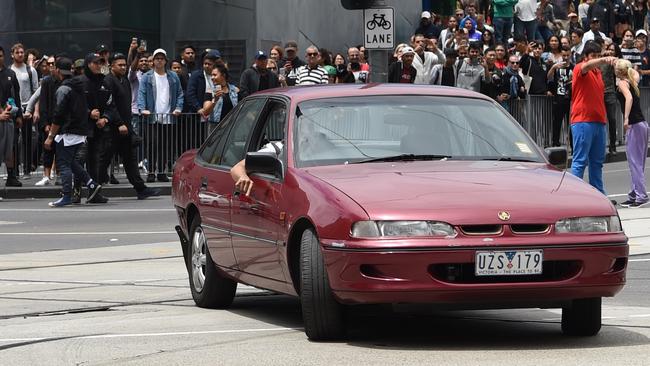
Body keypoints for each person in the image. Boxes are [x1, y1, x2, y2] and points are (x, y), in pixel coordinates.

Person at [43, 58, 102, 207]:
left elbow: (58, 114)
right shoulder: (78, 86)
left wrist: (50, 137)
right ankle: (91, 184)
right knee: (72, 163)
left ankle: (67, 195)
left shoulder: (64, 89)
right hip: (80, 130)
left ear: (57, 70)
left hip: (67, 131)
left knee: (63, 164)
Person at [103, 52, 161, 200]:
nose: (123, 67)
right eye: (119, 65)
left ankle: (141, 189)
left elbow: (126, 106)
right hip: (113, 129)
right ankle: (93, 185)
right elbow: (110, 105)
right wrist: (119, 123)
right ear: (112, 66)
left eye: (124, 65)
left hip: (126, 128)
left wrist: (128, 126)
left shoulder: (125, 81)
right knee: (104, 159)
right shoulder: (108, 81)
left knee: (130, 159)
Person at [569, 41, 617, 195]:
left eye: (598, 55)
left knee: (597, 163)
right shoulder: (580, 68)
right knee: (580, 161)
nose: (596, 59)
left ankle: (599, 195)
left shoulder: (598, 73)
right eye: (593, 56)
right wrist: (603, 59)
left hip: (598, 121)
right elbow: (585, 67)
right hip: (583, 120)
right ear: (585, 57)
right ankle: (574, 195)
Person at [137, 48, 184, 183]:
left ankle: (162, 172)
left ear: (165, 61)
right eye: (157, 58)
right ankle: (151, 171)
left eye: (161, 58)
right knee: (152, 144)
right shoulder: (147, 77)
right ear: (153, 61)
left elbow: (180, 93)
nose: (159, 60)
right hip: (152, 116)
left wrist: (178, 108)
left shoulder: (173, 76)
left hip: (169, 116)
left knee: (165, 145)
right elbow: (142, 93)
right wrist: (142, 109)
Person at [615, 59, 649, 208]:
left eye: (616, 68)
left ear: (619, 71)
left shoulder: (623, 83)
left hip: (635, 124)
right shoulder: (632, 79)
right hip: (642, 124)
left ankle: (641, 196)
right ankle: (634, 193)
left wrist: (626, 118)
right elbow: (635, 72)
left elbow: (628, 98)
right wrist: (624, 65)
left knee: (634, 163)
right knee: (638, 163)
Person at [34, 56, 61, 186]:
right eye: (48, 64)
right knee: (48, 149)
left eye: (53, 63)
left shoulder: (64, 80)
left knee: (61, 150)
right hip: (49, 121)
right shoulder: (46, 81)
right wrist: (45, 124)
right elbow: (43, 103)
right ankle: (46, 176)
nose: (50, 66)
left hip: (62, 122)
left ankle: (60, 175)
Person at [0, 46, 23, 188]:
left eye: (1, 55)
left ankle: (11, 176)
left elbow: (16, 96)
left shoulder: (10, 74)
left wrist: (19, 115)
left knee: (11, 147)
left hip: (9, 115)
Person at [201, 62, 239, 134]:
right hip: (215, 127)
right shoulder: (210, 91)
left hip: (232, 127)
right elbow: (205, 112)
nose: (212, 78)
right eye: (211, 75)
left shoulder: (235, 90)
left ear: (223, 75)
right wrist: (214, 100)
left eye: (215, 75)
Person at [547, 46, 574, 147]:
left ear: (570, 55)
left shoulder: (573, 67)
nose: (566, 57)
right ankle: (555, 143)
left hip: (570, 99)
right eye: (564, 55)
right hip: (559, 98)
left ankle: (573, 145)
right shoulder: (556, 66)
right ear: (560, 55)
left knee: (571, 125)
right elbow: (548, 77)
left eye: (567, 55)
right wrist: (553, 67)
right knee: (557, 123)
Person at [600, 41, 620, 155]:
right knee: (600, 121)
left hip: (610, 92)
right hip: (598, 93)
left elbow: (618, 69)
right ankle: (601, 146)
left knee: (612, 119)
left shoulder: (612, 60)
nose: (610, 51)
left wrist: (614, 59)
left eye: (613, 50)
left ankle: (613, 146)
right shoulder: (598, 59)